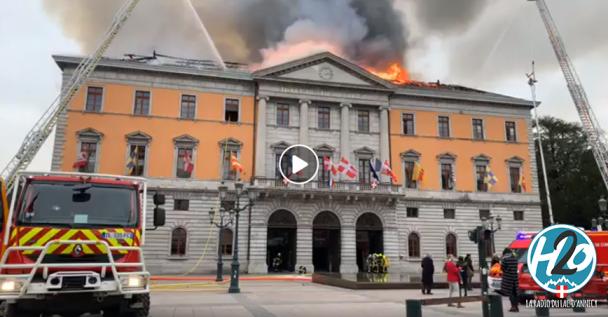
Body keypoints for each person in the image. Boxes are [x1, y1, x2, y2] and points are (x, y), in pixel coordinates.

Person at [499, 248, 519, 312]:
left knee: (511, 293)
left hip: (508, 278)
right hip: (515, 278)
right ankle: (516, 306)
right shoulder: (515, 258)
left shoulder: (505, 259)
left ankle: (513, 307)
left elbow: (502, 268)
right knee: (515, 292)